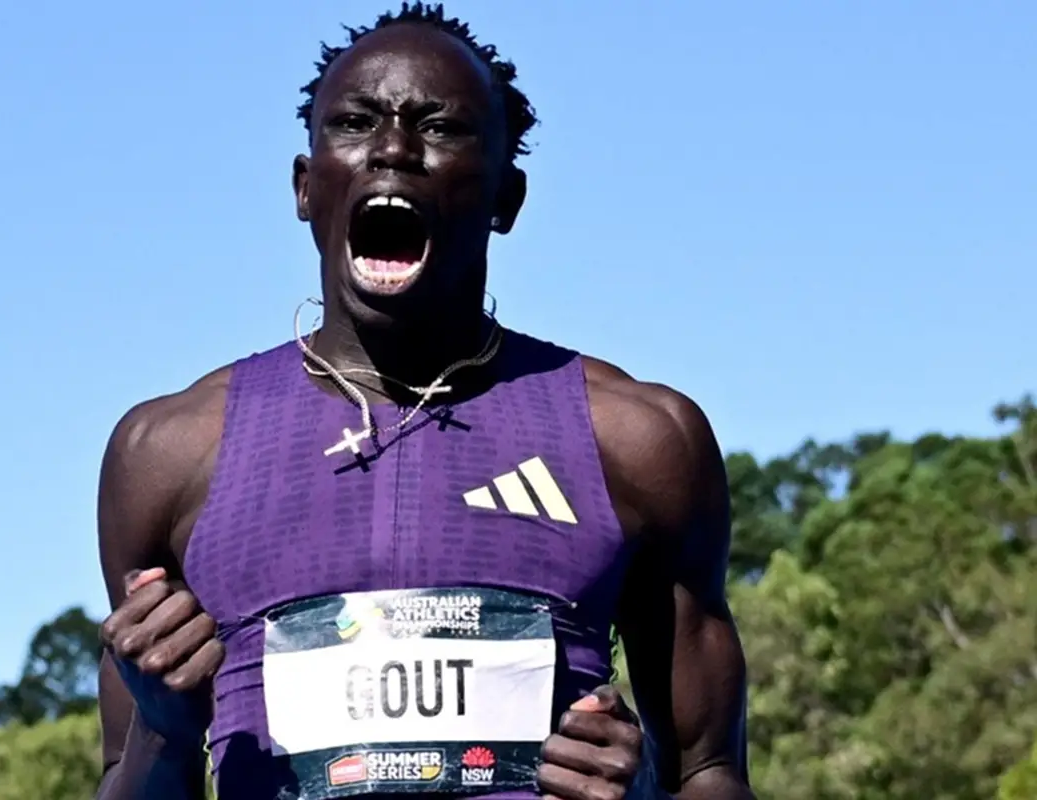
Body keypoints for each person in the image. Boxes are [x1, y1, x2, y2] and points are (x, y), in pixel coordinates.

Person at [95, 3, 754, 799]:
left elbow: (712, 775)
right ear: (305, 186)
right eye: (355, 122)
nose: (393, 150)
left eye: (440, 128)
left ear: (507, 197)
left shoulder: (640, 440)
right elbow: (126, 778)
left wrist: (643, 787)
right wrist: (163, 733)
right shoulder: (167, 453)